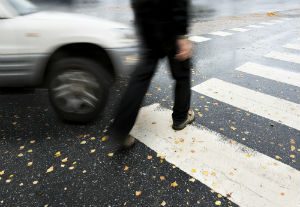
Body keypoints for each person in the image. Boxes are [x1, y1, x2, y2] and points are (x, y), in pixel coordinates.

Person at [109, 0, 194, 149]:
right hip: (169, 23)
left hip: (146, 22)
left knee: (140, 79)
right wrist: (182, 35)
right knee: (182, 74)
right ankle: (180, 118)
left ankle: (120, 129)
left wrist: (140, 19)